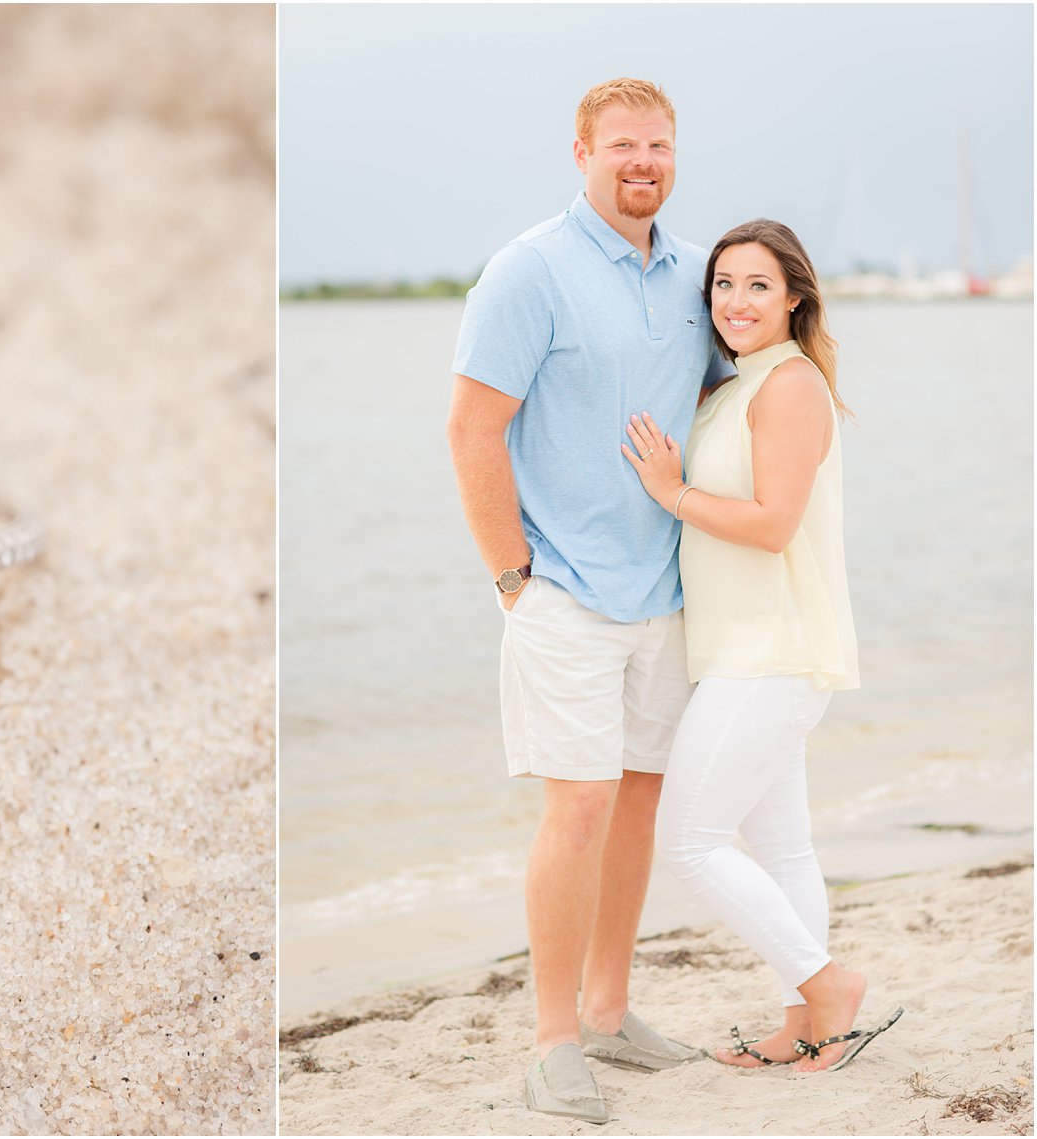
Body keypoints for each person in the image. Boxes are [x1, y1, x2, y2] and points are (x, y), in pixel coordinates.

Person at [447, 78, 732, 1124]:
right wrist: (510, 577)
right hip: (557, 588)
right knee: (574, 807)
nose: (641, 161)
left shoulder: (694, 272)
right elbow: (472, 429)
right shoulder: (529, 271)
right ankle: (554, 1038)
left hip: (663, 589)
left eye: (656, 144)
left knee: (639, 801)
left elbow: (720, 392)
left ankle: (610, 1011)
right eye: (620, 145)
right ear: (578, 153)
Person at [621, 218, 901, 1073]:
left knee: (692, 840)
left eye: (757, 286)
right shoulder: (738, 384)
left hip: (770, 651)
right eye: (723, 285)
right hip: (748, 649)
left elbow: (774, 524)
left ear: (795, 298)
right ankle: (809, 1027)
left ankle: (825, 981)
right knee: (783, 848)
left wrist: (670, 492)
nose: (735, 302)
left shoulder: (789, 386)